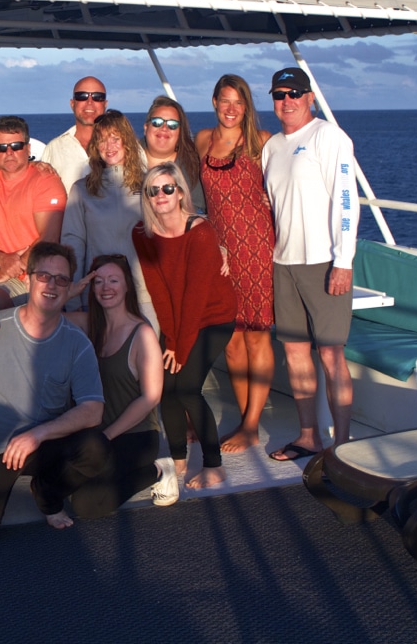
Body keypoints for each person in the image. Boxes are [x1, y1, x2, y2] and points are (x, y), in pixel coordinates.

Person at [0, 241, 109, 542]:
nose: (52, 285)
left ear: (69, 287)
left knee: (94, 447)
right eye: (44, 276)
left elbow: (93, 410)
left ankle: (46, 492)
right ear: (29, 280)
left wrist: (37, 435)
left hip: (42, 444)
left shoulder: (77, 343)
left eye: (61, 279)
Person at [261, 67, 358, 460]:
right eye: (279, 94)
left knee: (331, 355)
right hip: (283, 263)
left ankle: (344, 445)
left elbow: (346, 201)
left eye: (295, 93)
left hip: (324, 262)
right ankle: (308, 437)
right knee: (295, 353)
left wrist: (343, 261)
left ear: (309, 98)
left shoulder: (328, 136)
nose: (287, 101)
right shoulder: (272, 147)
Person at [132, 164, 237, 489]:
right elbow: (159, 290)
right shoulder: (143, 233)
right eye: (153, 190)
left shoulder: (200, 232)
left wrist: (180, 346)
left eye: (167, 188)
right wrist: (172, 339)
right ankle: (178, 459)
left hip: (214, 316)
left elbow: (196, 295)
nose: (161, 195)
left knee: (188, 388)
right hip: (178, 318)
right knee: (167, 386)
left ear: (180, 192)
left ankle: (214, 465)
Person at [194, 75, 276, 454]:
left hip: (257, 248)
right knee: (231, 341)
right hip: (221, 253)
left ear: (246, 106)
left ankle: (251, 425)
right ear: (214, 102)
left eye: (238, 102)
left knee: (257, 335)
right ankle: (246, 421)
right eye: (225, 101)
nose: (231, 109)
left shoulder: (262, 141)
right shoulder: (202, 140)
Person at [63, 255, 179, 514]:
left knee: (85, 506)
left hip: (134, 435)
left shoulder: (142, 334)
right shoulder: (89, 324)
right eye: (99, 282)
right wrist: (69, 293)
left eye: (113, 280)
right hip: (96, 433)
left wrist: (105, 437)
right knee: (59, 482)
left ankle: (158, 470)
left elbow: (150, 397)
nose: (106, 287)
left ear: (127, 285)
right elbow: (43, 316)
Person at [59, 109, 158, 329]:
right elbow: (73, 244)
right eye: (102, 140)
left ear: (127, 142)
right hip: (98, 296)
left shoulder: (149, 186)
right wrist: (74, 300)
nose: (109, 146)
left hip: (144, 296)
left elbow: (172, 232)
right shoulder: (82, 190)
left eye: (115, 138)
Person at [0, 116, 67, 299]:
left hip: (37, 274)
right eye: (2, 148)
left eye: (16, 146)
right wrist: (1, 259)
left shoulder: (45, 181)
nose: (9, 152)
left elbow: (49, 236)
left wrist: (12, 268)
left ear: (28, 148)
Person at [41, 76, 109, 192]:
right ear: (72, 104)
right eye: (82, 96)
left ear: (105, 104)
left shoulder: (125, 146)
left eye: (97, 97)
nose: (89, 102)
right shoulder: (54, 149)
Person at [141, 96, 205, 212]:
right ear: (146, 128)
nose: (164, 128)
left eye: (172, 124)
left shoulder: (194, 167)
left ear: (180, 132)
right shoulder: (124, 158)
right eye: (157, 122)